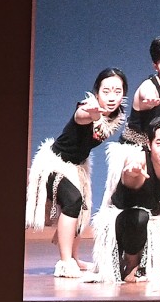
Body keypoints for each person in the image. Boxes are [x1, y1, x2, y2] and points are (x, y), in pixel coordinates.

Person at [25, 68, 128, 278]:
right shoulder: (87, 107)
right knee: (73, 200)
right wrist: (92, 113)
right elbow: (81, 115)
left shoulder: (116, 116)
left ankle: (74, 257)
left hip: (77, 167)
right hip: (54, 164)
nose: (111, 96)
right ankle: (65, 262)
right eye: (106, 91)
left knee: (81, 209)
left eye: (117, 91)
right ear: (97, 92)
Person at [90, 114, 160, 282]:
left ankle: (146, 259)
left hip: (150, 219)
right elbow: (130, 179)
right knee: (139, 216)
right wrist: (132, 172)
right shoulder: (138, 161)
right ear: (149, 144)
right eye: (159, 143)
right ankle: (131, 264)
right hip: (123, 221)